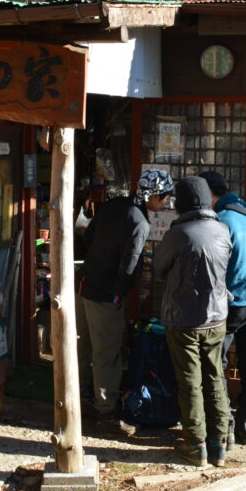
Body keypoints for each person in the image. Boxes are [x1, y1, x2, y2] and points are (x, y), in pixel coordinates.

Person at [75, 169, 174, 430]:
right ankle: (105, 411)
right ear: (154, 196)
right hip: (106, 293)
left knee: (81, 348)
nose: (165, 203)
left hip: (85, 283)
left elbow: (88, 236)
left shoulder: (112, 205)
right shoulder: (140, 222)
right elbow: (129, 265)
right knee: (106, 352)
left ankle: (76, 399)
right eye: (164, 198)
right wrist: (120, 293)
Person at [153, 176, 233, 467]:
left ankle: (195, 444)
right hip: (217, 317)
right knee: (215, 377)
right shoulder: (223, 230)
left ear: (182, 202)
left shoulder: (179, 233)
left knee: (190, 382)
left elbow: (159, 267)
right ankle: (219, 443)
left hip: (183, 319)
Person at [199, 171, 246, 446]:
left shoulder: (221, 222)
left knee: (218, 365)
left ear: (210, 195)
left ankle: (223, 424)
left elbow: (214, 271)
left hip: (228, 305)